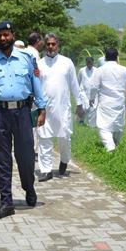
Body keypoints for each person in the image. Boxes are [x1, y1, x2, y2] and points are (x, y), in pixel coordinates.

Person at [0, 21, 46, 220]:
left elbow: (36, 84)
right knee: (2, 158)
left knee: (26, 157)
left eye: (6, 34)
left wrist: (42, 109)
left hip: (22, 112)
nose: (3, 38)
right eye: (0, 36)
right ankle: (7, 202)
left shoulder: (26, 58)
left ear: (12, 35)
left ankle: (28, 187)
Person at [36, 33, 86, 181]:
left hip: (62, 108)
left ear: (58, 45)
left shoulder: (67, 62)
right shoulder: (40, 64)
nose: (51, 47)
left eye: (53, 44)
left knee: (64, 138)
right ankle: (46, 170)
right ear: (45, 46)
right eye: (48, 44)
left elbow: (74, 85)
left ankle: (64, 160)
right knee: (44, 138)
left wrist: (79, 103)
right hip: (45, 109)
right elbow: (36, 86)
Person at [92, 48, 126, 152]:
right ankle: (115, 144)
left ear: (105, 57)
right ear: (117, 57)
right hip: (119, 102)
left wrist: (91, 98)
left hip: (105, 102)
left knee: (104, 127)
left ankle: (110, 148)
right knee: (118, 126)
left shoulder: (100, 70)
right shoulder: (124, 69)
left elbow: (94, 87)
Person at [77, 57, 97, 126]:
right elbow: (78, 81)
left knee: (92, 108)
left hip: (93, 92)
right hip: (83, 92)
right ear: (86, 63)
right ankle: (81, 121)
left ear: (93, 62)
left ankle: (90, 124)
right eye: (88, 62)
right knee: (84, 107)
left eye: (90, 62)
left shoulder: (96, 70)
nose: (89, 64)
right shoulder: (82, 70)